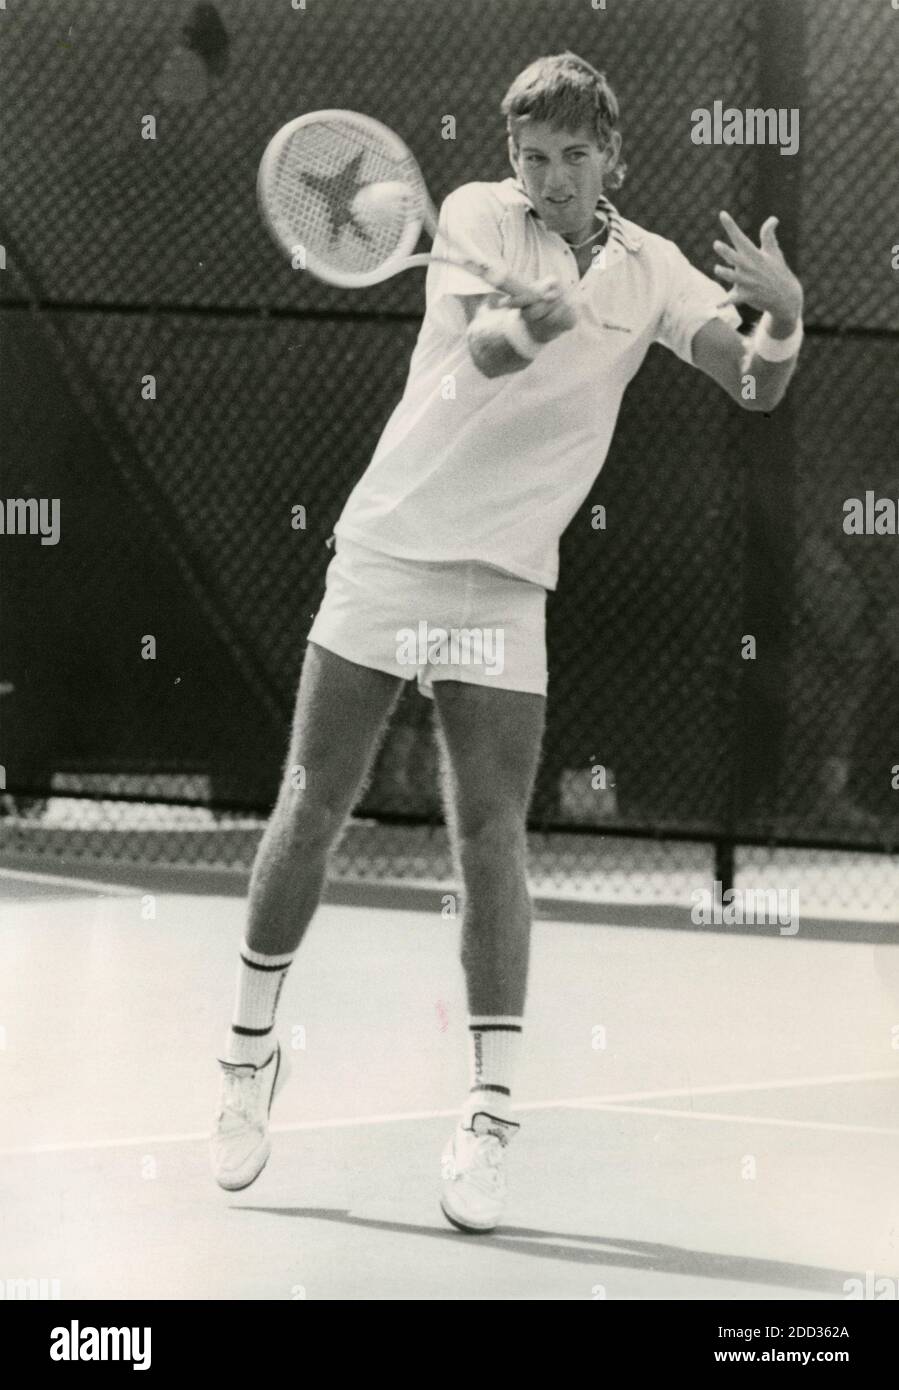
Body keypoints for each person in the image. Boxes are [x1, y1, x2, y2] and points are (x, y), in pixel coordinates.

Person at [210, 51, 804, 1232]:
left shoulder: (655, 270)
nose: (550, 178)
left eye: (573, 158)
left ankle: (487, 1118)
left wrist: (781, 322)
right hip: (389, 550)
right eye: (533, 158)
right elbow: (475, 355)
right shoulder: (476, 218)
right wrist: (517, 327)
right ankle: (245, 1058)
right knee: (310, 801)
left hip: (503, 584)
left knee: (489, 834)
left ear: (612, 159)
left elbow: (747, 385)